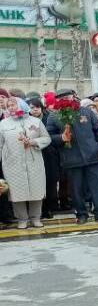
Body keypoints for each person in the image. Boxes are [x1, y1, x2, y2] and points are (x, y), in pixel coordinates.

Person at [48, 89, 98, 224]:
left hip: (92, 156)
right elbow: (49, 137)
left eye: (68, 97)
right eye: (62, 98)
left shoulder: (86, 112)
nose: (66, 100)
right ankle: (81, 214)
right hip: (71, 159)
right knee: (76, 190)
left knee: (97, 187)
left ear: (74, 97)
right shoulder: (54, 116)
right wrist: (61, 138)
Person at [0, 95, 51, 228]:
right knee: (16, 192)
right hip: (12, 163)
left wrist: (34, 142)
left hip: (34, 161)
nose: (10, 107)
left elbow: (46, 138)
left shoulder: (35, 121)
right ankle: (22, 219)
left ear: (21, 105)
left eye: (13, 105)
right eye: (8, 106)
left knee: (36, 189)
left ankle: (35, 218)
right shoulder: (3, 124)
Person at [25, 95, 59, 220]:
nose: (35, 110)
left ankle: (49, 208)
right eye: (32, 107)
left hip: (49, 154)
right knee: (37, 183)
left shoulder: (48, 118)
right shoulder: (25, 120)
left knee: (50, 181)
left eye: (38, 107)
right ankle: (38, 210)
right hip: (32, 153)